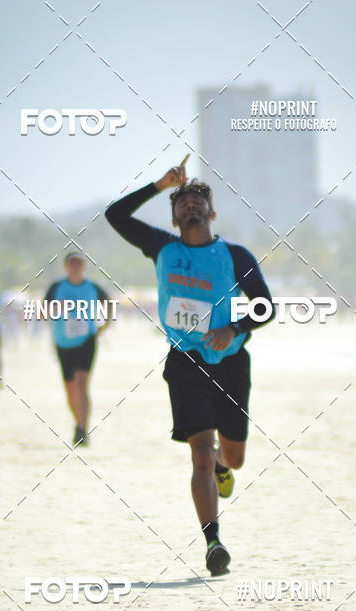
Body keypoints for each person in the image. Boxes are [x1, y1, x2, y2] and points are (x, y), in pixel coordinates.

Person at [105, 158, 274, 576]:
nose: (190, 208)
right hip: (185, 361)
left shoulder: (235, 255)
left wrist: (234, 328)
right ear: (174, 216)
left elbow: (265, 306)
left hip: (231, 361)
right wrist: (160, 185)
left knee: (232, 459)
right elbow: (115, 215)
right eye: (182, 204)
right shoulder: (162, 248)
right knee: (198, 453)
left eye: (198, 202)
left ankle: (222, 465)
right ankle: (213, 541)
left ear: (211, 212)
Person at [43, 251, 110, 447]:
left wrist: (104, 326)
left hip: (87, 340)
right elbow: (43, 311)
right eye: (72, 263)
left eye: (79, 263)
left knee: (82, 383)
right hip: (63, 342)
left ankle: (83, 428)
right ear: (66, 266)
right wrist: (59, 308)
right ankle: (77, 422)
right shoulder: (57, 287)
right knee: (70, 388)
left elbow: (108, 303)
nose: (75, 266)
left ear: (84, 266)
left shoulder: (93, 287)